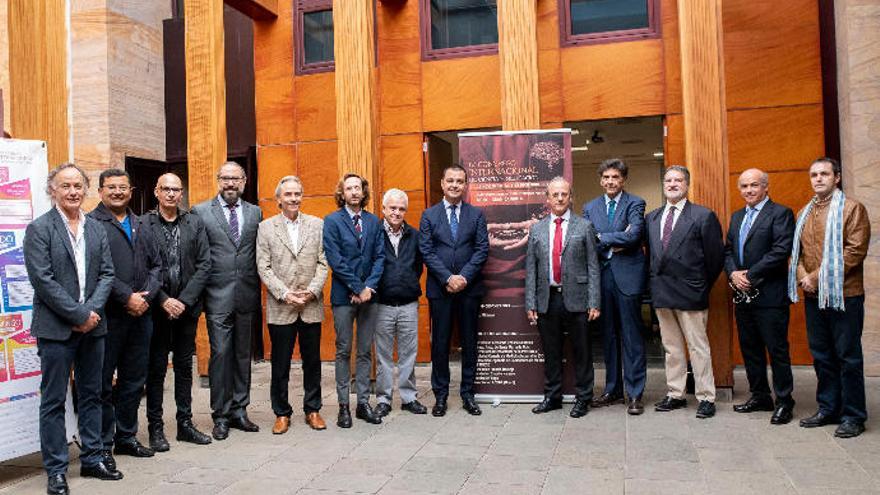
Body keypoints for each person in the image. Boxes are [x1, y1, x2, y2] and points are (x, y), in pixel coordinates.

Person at [24, 164, 119, 494]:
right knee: (53, 401)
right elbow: (43, 281)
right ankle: (56, 469)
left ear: (86, 189)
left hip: (94, 327)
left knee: (93, 394)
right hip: (56, 330)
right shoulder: (39, 229)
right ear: (53, 190)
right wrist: (78, 314)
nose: (73, 191)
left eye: (78, 185)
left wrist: (90, 313)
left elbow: (107, 274)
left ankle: (93, 459)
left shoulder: (95, 228)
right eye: (65, 186)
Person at [790, 157, 871, 438]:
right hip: (814, 296)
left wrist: (816, 277)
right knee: (822, 356)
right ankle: (828, 408)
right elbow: (796, 253)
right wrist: (804, 277)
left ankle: (853, 415)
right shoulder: (804, 212)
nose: (818, 179)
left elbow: (855, 251)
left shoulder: (851, 209)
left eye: (824, 174)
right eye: (814, 174)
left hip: (845, 295)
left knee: (848, 357)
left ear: (836, 177)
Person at [88, 169, 162, 462]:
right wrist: (126, 297)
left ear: (131, 191)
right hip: (109, 316)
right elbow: (94, 270)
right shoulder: (91, 224)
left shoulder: (141, 223)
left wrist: (146, 296)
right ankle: (104, 443)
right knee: (104, 382)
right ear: (101, 191)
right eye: (111, 187)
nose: (117, 192)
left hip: (142, 315)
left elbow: (159, 265)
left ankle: (127, 437)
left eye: (123, 187)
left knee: (134, 380)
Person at [192, 161, 263, 440]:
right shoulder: (200, 212)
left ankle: (239, 410)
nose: (230, 184)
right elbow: (197, 255)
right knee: (221, 354)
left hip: (246, 294)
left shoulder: (255, 212)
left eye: (235, 179)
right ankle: (220, 414)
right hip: (216, 296)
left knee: (243, 355)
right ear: (218, 180)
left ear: (244, 181)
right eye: (225, 179)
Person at [645, 165, 724, 419]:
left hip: (691, 293)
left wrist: (700, 284)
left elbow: (715, 259)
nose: (672, 184)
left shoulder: (703, 216)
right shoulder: (652, 218)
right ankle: (675, 393)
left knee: (698, 347)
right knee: (672, 348)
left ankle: (706, 397)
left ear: (687, 185)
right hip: (662, 293)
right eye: (668, 180)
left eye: (678, 180)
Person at [143, 173, 213, 450]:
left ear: (181, 193)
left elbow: (204, 264)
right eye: (166, 189)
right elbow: (142, 268)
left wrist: (183, 300)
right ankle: (155, 428)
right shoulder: (144, 224)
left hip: (187, 309)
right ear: (156, 191)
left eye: (176, 190)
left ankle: (185, 424)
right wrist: (162, 299)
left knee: (185, 367)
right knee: (157, 368)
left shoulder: (194, 222)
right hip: (158, 310)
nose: (171, 194)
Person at [256, 176, 329, 435]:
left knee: (313, 361)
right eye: (288, 194)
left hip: (310, 304)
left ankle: (313, 409)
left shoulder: (317, 225)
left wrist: (311, 291)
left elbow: (323, 262)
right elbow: (263, 266)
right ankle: (281, 413)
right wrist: (285, 293)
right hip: (281, 306)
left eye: (297, 193)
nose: (294, 198)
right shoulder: (265, 228)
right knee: (280, 363)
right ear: (279, 199)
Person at [724, 168, 796, 424]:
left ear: (766, 187)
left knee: (777, 350)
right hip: (743, 296)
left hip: (770, 295)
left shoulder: (780, 214)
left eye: (754, 185)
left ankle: (784, 401)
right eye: (744, 186)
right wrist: (733, 274)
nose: (748, 190)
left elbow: (780, 251)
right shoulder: (736, 216)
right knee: (750, 349)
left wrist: (749, 275)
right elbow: (728, 251)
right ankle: (760, 396)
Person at [525, 177, 601, 418]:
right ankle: (552, 396)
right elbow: (531, 269)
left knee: (582, 351)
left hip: (578, 299)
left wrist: (594, 301)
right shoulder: (536, 229)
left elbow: (593, 267)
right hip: (547, 298)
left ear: (571, 197)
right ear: (547, 199)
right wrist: (531, 302)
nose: (559, 198)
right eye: (555, 194)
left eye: (564, 194)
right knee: (551, 351)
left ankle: (583, 398)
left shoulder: (584, 226)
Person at [419, 164, 489, 417]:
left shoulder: (476, 214)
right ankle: (441, 396)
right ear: (442, 183)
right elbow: (426, 251)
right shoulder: (429, 215)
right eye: (451, 180)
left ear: (466, 184)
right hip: (441, 289)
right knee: (440, 343)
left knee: (470, 342)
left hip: (469, 290)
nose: (455, 185)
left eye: (460, 181)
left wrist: (464, 277)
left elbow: (482, 249)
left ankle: (468, 394)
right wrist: (448, 277)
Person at [582, 159, 648, 415]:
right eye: (607, 177)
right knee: (608, 336)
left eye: (616, 177)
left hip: (628, 276)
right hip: (603, 277)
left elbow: (634, 236)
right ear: (601, 180)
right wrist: (614, 239)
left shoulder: (635, 203)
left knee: (631, 336)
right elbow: (589, 240)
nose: (611, 181)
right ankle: (612, 390)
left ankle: (634, 394)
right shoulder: (590, 207)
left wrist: (603, 237)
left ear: (623, 180)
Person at [323, 173, 385, 427]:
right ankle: (343, 407)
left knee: (364, 351)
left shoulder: (374, 222)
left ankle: (362, 404)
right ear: (342, 193)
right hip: (343, 297)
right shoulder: (332, 221)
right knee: (343, 350)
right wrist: (358, 287)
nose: (354, 192)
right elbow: (335, 259)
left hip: (369, 297)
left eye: (358, 188)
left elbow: (381, 257)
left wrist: (368, 287)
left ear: (363, 191)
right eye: (349, 188)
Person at [374, 189, 426, 417]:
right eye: (392, 208)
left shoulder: (414, 235)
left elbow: (418, 267)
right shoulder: (374, 233)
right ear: (383, 209)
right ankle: (384, 399)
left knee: (408, 354)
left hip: (408, 304)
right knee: (383, 355)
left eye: (401, 209)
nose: (396, 213)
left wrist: (405, 282)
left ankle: (408, 397)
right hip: (382, 304)